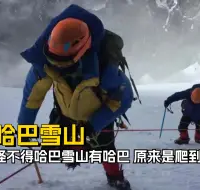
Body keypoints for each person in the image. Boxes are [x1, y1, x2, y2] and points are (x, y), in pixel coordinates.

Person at [17, 4, 135, 190]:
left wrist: (93, 125)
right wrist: (24, 127)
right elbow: (32, 95)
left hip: (97, 117)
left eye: (64, 63)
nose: (58, 67)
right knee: (53, 145)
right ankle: (71, 155)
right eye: (54, 62)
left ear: (81, 52)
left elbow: (123, 99)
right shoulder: (45, 64)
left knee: (105, 149)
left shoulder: (106, 70)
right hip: (65, 112)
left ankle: (115, 178)